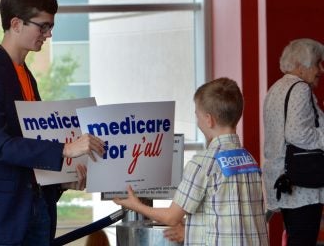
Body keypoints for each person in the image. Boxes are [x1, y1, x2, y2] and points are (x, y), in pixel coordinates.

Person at [0, 0, 105, 246]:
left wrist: (61, 182)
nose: (49, 34)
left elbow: (28, 146)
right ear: (16, 24)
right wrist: (64, 149)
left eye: (50, 26)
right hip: (3, 219)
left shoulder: (26, 76)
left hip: (34, 210)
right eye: (44, 25)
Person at [114, 77, 269, 245]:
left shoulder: (203, 163)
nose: (198, 122)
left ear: (209, 120)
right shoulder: (249, 160)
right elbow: (231, 215)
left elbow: (171, 217)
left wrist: (136, 205)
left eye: (197, 116)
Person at [263, 38, 324, 246]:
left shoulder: (275, 89)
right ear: (300, 65)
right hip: (302, 185)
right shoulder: (301, 89)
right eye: (317, 63)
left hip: (284, 180)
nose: (320, 70)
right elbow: (298, 134)